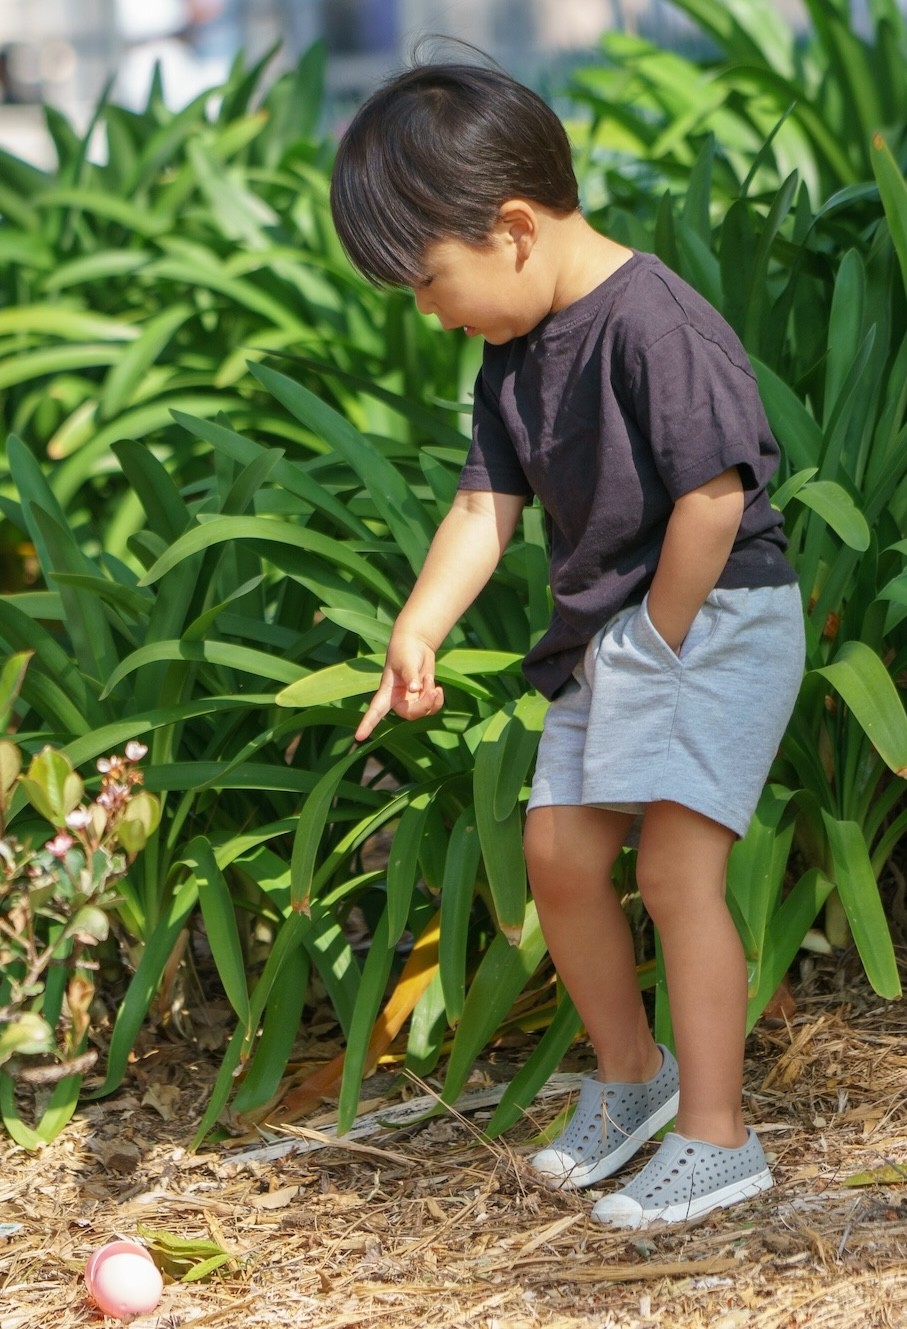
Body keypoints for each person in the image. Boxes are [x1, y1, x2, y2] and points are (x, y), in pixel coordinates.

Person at [329, 52, 805, 1228]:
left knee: (674, 870)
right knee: (557, 854)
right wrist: (419, 624)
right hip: (624, 634)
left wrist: (660, 634)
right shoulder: (509, 356)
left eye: (429, 282)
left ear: (513, 228)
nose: (429, 311)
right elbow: (482, 508)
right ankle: (634, 1082)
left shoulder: (652, 322)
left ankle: (718, 1138)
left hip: (714, 616)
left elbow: (713, 499)